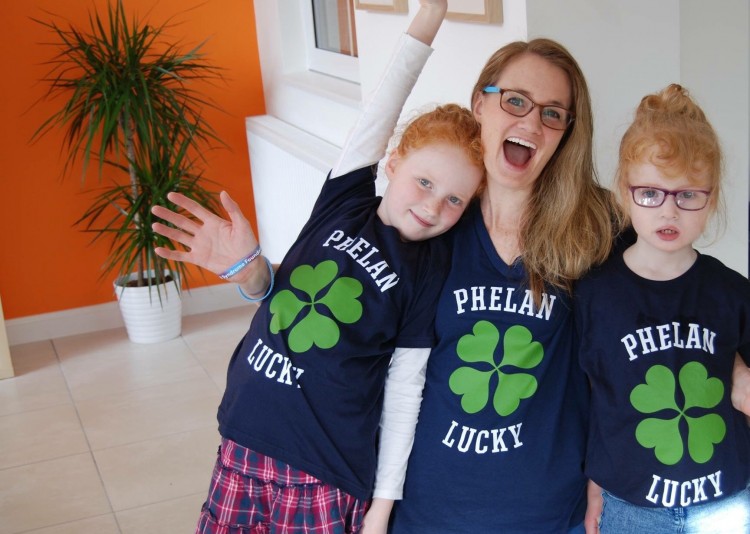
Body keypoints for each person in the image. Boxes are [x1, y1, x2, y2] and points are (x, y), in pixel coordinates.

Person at [151, 2, 485, 532]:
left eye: (453, 201)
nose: (432, 206)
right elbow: (385, 100)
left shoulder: (427, 271)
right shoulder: (344, 197)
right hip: (243, 438)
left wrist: (382, 507)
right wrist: (430, 14)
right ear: (393, 163)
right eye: (424, 182)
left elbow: (404, 391)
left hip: (323, 474)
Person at [371, 36, 622, 534]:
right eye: (515, 101)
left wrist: (734, 364)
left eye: (553, 114)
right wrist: (254, 277)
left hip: (552, 517)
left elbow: (671, 295)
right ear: (479, 104)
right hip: (427, 513)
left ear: (567, 133)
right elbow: (341, 306)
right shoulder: (430, 218)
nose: (531, 122)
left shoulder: (598, 229)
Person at [574, 83, 750, 533]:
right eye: (650, 193)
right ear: (623, 190)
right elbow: (592, 399)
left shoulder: (732, 292)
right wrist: (593, 483)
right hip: (630, 506)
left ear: (711, 199)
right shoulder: (594, 294)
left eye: (689, 195)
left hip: (725, 502)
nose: (669, 212)